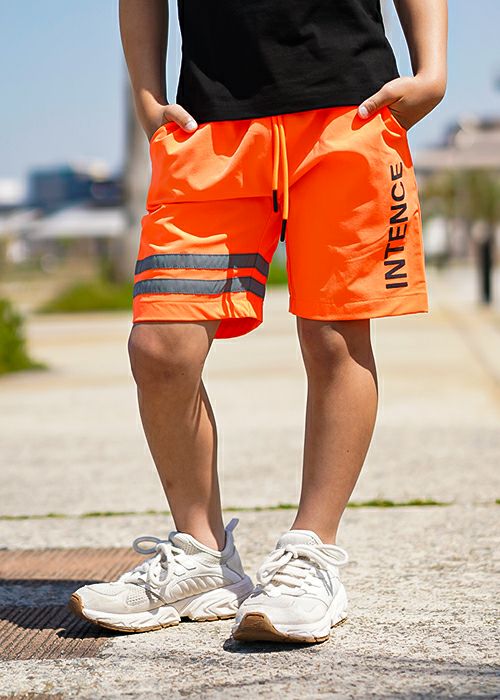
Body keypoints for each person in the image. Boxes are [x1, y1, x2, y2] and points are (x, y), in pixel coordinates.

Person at [69, 0, 447, 643]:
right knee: (160, 346)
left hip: (349, 111)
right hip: (209, 121)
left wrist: (431, 70)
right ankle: (201, 556)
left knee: (334, 336)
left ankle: (310, 552)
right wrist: (147, 96)